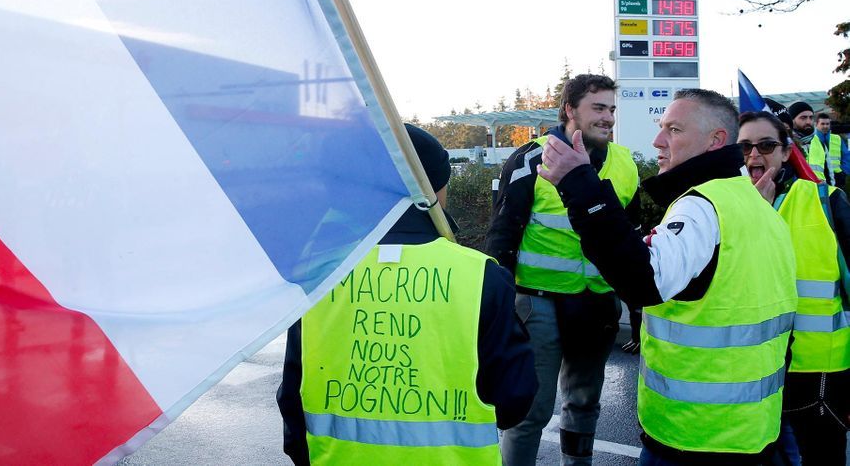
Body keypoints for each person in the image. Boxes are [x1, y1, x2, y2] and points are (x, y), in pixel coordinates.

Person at [538, 89, 797, 465]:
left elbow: (642, 281)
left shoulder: (701, 207)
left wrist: (581, 187)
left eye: (673, 130)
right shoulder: (758, 208)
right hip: (752, 432)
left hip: (692, 437)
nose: (658, 141)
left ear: (716, 141)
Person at [277, 124, 537, 466]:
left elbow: (293, 397)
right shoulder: (481, 276)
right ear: (431, 189)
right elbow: (514, 399)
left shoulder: (320, 273)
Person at [486, 74, 640, 466]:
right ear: (570, 110)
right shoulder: (531, 158)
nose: (608, 117)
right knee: (530, 412)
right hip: (539, 302)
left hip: (598, 304)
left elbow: (631, 237)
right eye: (598, 108)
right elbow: (503, 234)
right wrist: (498, 308)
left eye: (611, 109)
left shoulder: (624, 163)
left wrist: (636, 308)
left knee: (584, 403)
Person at [739, 111, 850, 465]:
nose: (754, 155)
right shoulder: (725, 206)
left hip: (816, 371)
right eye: (744, 147)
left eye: (766, 145)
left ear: (787, 152)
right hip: (749, 366)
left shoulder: (826, 201)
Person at [811, 112, 849, 188]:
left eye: (827, 124)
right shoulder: (811, 139)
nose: (825, 126)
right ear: (816, 124)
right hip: (818, 177)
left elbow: (846, 156)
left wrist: (844, 172)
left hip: (837, 177)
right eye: (822, 124)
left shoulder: (837, 138)